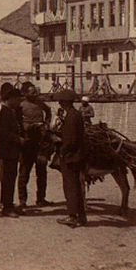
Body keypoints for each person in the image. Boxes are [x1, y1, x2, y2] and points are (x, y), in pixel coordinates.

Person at [55, 90, 87, 228]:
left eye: (61, 101)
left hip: (71, 157)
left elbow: (71, 140)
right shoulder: (75, 115)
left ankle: (73, 216)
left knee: (70, 186)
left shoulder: (71, 117)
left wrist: (62, 149)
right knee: (76, 186)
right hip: (76, 155)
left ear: (65, 102)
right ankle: (81, 216)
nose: (59, 103)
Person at [18, 83, 53, 208]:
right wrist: (28, 127)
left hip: (40, 143)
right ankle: (22, 200)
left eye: (35, 92)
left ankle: (41, 198)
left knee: (42, 172)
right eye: (31, 92)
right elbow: (17, 123)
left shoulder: (40, 103)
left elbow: (48, 111)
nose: (35, 94)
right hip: (27, 144)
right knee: (24, 173)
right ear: (25, 93)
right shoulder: (20, 105)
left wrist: (46, 123)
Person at [0, 85, 24, 217]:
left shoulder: (8, 111)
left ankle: (8, 203)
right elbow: (5, 133)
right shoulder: (4, 112)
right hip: (8, 150)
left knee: (10, 177)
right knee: (8, 178)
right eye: (17, 100)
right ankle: (7, 207)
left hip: (10, 150)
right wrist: (18, 139)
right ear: (11, 99)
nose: (19, 102)